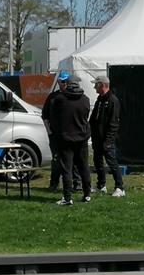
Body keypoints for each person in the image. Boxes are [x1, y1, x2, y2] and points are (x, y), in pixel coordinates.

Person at [50, 75, 92, 206]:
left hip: (65, 138)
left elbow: (53, 117)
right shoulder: (85, 99)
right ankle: (87, 194)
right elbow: (85, 117)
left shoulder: (60, 99)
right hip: (82, 138)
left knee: (66, 169)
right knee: (83, 167)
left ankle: (67, 197)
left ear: (67, 84)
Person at [41, 70, 77, 191]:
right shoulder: (52, 97)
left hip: (70, 135)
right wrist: (49, 131)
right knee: (56, 160)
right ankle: (54, 183)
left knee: (73, 160)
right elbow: (44, 115)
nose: (64, 84)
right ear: (58, 82)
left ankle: (76, 184)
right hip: (55, 135)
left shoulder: (73, 96)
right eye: (61, 82)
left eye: (66, 81)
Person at [90, 74, 125, 197]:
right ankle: (101, 185)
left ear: (103, 85)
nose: (94, 87)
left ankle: (119, 187)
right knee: (98, 162)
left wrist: (108, 141)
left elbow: (114, 123)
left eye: (96, 85)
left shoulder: (113, 100)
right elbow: (94, 118)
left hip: (107, 139)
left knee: (111, 162)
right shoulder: (100, 100)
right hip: (97, 138)